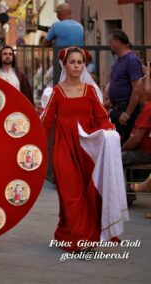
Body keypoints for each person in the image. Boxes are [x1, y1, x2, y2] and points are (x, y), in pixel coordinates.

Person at [41, 47, 129, 252]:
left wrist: (110, 134)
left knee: (87, 195)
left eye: (79, 62)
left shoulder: (90, 91)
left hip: (88, 152)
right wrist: (34, 146)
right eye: (72, 62)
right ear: (64, 65)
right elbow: (45, 123)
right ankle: (78, 238)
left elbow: (102, 119)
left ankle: (73, 233)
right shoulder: (56, 93)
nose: (76, 66)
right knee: (71, 195)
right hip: (64, 150)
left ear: (83, 65)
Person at [108, 29, 143, 144]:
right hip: (118, 109)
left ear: (118, 42)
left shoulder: (131, 60)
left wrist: (128, 113)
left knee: (124, 143)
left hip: (126, 109)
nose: (110, 45)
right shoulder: (119, 60)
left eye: (111, 42)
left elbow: (137, 89)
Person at [121, 61, 151, 166]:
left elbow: (136, 140)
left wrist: (121, 149)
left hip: (146, 153)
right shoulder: (146, 108)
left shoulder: (148, 108)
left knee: (117, 158)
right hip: (144, 151)